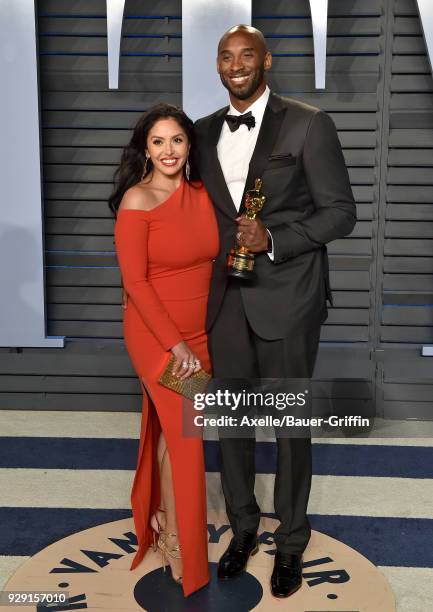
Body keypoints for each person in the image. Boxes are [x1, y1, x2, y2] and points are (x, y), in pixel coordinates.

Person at [194, 25, 357, 598]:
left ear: (267, 60)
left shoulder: (308, 122)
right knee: (232, 425)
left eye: (246, 55)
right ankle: (242, 528)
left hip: (288, 298)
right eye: (226, 56)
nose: (236, 65)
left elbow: (340, 213)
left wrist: (275, 239)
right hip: (224, 301)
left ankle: (290, 542)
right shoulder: (202, 131)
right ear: (217, 66)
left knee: (290, 427)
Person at [109, 103, 219, 597]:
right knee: (187, 437)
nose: (169, 150)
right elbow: (135, 282)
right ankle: (181, 545)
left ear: (189, 146)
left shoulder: (204, 194)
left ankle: (159, 510)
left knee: (174, 434)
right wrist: (176, 347)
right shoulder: (137, 199)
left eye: (177, 140)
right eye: (158, 142)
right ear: (145, 149)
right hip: (159, 337)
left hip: (201, 334)